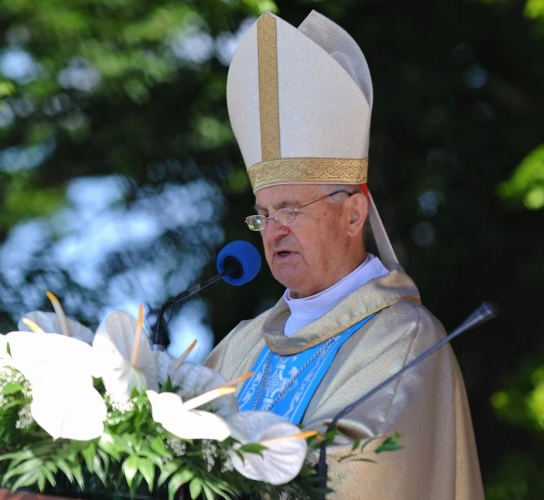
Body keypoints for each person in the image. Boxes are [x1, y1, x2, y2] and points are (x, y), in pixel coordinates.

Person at [204, 10, 484, 499]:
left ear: (354, 214)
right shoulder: (239, 347)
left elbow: (366, 475)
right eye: (264, 214)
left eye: (291, 209)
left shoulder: (405, 341)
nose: (273, 231)